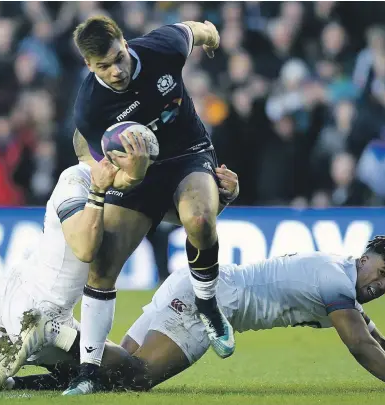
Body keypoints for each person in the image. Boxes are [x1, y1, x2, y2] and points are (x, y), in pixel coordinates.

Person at [0, 128, 240, 392]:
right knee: (129, 372)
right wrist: (98, 192)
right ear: (107, 149)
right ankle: (48, 333)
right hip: (41, 312)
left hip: (14, 293)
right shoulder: (76, 179)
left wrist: (221, 198)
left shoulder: (115, 188)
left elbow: (184, 216)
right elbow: (84, 249)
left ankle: (13, 385)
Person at [3, 235, 385, 393]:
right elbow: (361, 347)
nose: (380, 285)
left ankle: (14, 381)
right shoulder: (336, 280)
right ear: (363, 258)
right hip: (216, 303)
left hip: (197, 282)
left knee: (109, 378)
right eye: (381, 271)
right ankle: (55, 330)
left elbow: (378, 341)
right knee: (136, 377)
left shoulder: (341, 284)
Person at [68, 15, 234, 394]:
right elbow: (110, 169)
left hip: (187, 153)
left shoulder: (163, 46)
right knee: (103, 264)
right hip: (135, 172)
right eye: (103, 66)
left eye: (117, 58)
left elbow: (198, 29)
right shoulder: (90, 109)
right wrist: (132, 173)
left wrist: (212, 37)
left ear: (124, 43)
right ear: (88, 66)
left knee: (201, 220)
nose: (115, 71)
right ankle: (88, 372)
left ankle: (208, 307)